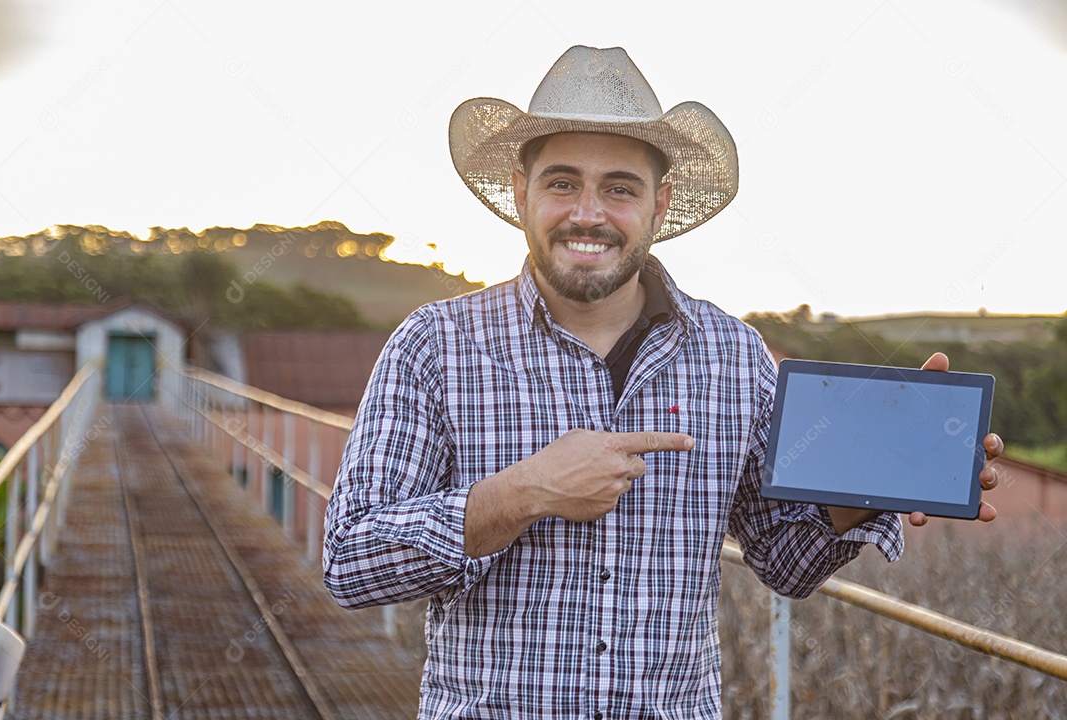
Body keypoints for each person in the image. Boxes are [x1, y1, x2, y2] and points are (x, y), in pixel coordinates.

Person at [323, 45, 1002, 718]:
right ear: (522, 190)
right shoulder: (435, 344)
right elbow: (350, 561)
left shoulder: (733, 354)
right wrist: (522, 491)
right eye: (562, 182)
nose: (588, 213)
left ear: (660, 204)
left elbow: (785, 562)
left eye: (620, 188)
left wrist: (873, 483)